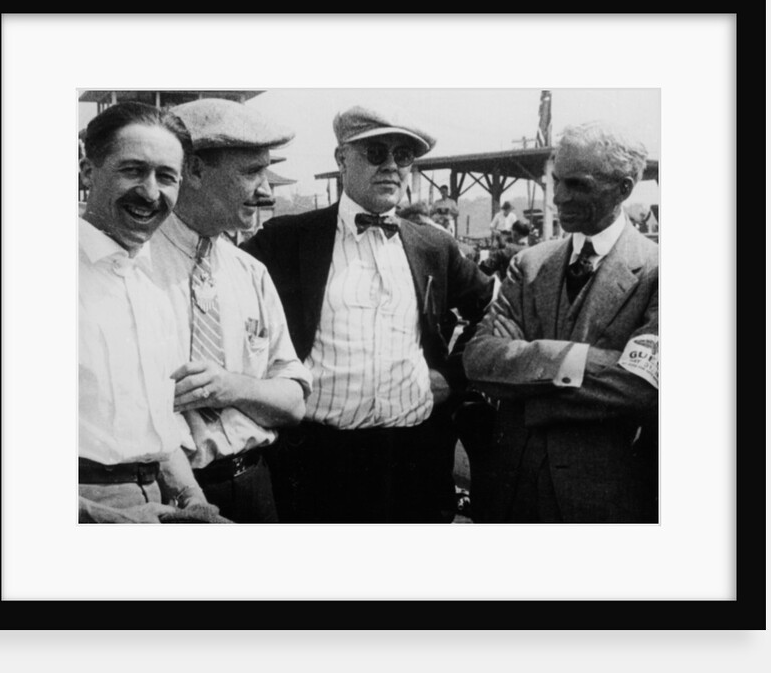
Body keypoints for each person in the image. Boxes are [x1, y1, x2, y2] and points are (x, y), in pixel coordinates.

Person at [242, 104, 494, 523]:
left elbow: (494, 307)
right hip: (317, 461)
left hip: (416, 459)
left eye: (404, 156)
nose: (392, 167)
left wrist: (453, 373)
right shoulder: (288, 240)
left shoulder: (434, 246)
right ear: (342, 159)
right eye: (376, 153)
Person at [463, 122, 658, 523]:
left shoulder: (660, 272)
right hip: (509, 491)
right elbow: (479, 359)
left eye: (577, 184)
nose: (559, 198)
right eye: (556, 182)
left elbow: (639, 386)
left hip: (603, 499)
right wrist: (580, 365)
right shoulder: (530, 264)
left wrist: (525, 370)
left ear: (623, 188)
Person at [149, 98, 312, 523]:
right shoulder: (135, 265)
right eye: (251, 172)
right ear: (195, 171)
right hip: (170, 499)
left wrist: (231, 388)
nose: (266, 190)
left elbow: (294, 402)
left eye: (267, 170)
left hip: (256, 486)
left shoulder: (250, 272)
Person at [78, 101, 226, 524]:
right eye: (132, 170)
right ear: (89, 172)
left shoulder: (152, 286)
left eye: (166, 176)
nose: (150, 191)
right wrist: (95, 516)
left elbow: (156, 429)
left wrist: (196, 503)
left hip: (157, 501)